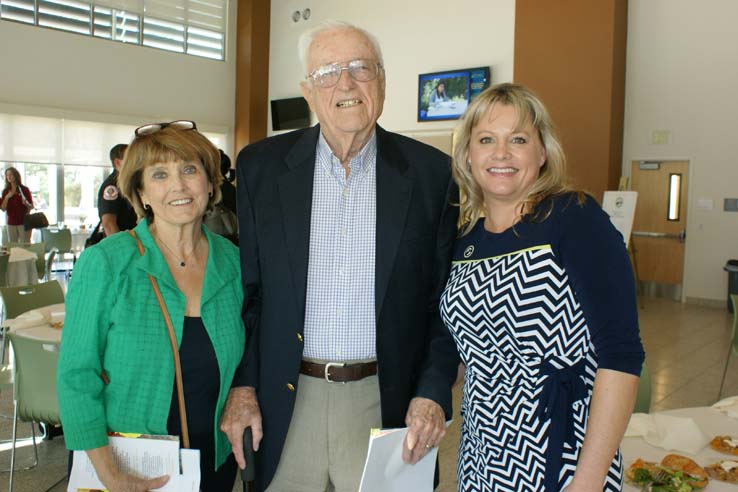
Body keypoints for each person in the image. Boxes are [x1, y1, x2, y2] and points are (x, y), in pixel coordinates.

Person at [220, 20, 460, 492]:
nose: (346, 83)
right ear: (308, 91)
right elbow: (252, 293)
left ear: (383, 81)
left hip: (385, 400)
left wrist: (433, 393)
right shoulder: (261, 168)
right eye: (328, 72)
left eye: (360, 68)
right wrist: (244, 387)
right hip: (285, 400)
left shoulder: (432, 175)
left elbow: (443, 302)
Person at [440, 83, 645, 491]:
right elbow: (463, 348)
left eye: (518, 139)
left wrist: (587, 480)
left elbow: (621, 355)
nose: (501, 153)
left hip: (563, 457)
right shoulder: (464, 242)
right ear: (467, 155)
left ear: (542, 152)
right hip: (481, 457)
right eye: (486, 140)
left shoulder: (574, 219)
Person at [58, 121, 245, 491]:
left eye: (190, 170)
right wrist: (110, 475)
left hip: (212, 461)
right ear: (141, 192)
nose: (178, 186)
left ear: (210, 184)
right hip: (125, 464)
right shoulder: (108, 262)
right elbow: (76, 376)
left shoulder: (234, 263)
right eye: (160, 175)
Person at [98, 143, 137, 237]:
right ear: (118, 163)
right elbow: (109, 224)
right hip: (123, 245)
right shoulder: (112, 186)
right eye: (130, 159)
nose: (136, 162)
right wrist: (122, 248)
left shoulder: (128, 183)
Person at [1, 167, 33, 242]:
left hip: (24, 222)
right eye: (7, 175)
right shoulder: (5, 191)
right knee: (13, 246)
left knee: (25, 245)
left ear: (15, 176)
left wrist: (26, 203)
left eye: (10, 174)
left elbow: (31, 207)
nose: (8, 177)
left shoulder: (24, 189)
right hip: (11, 223)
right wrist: (7, 197)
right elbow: (3, 208)